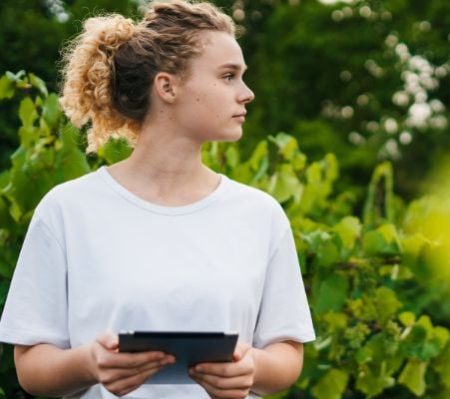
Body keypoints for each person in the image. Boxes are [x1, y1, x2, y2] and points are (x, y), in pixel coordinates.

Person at [0, 1, 315, 398]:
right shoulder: (67, 210)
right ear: (167, 87)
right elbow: (30, 364)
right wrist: (89, 362)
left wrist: (253, 367)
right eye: (228, 76)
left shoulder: (260, 215)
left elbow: (287, 351)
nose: (246, 93)